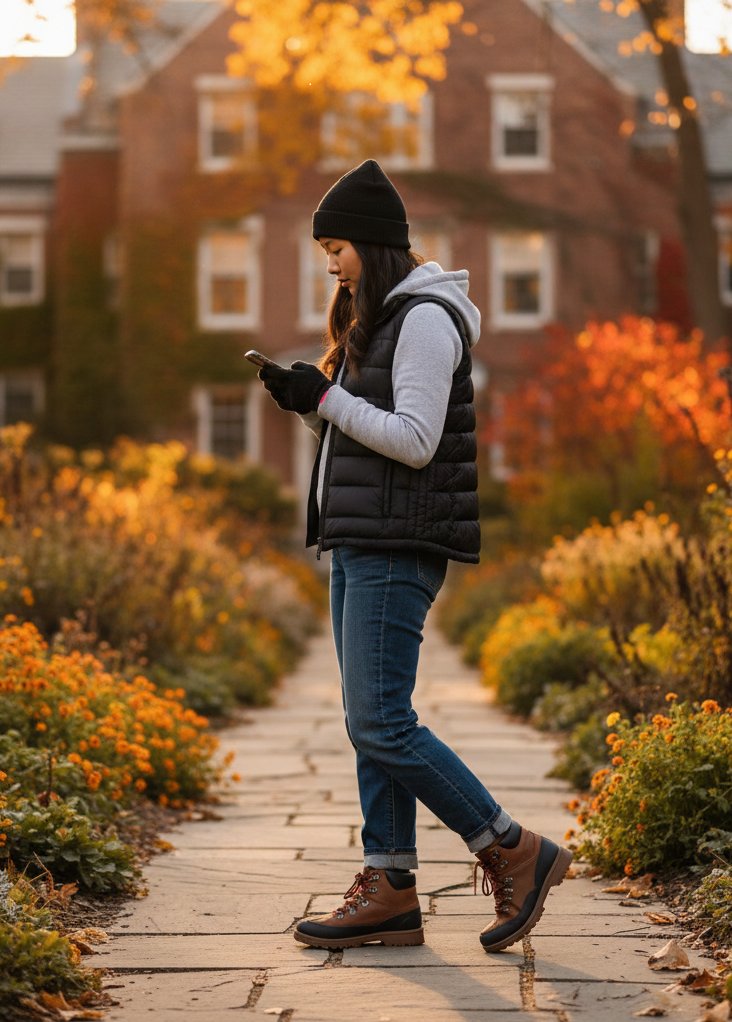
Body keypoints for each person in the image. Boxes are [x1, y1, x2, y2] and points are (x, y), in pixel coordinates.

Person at [256, 159, 572, 953]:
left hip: (398, 545)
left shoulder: (425, 318)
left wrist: (326, 398)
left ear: (374, 242)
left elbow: (416, 441)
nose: (330, 262)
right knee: (371, 724)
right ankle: (391, 886)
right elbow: (366, 435)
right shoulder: (379, 317)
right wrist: (308, 402)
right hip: (364, 539)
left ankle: (513, 847)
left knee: (383, 721)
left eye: (338, 246)